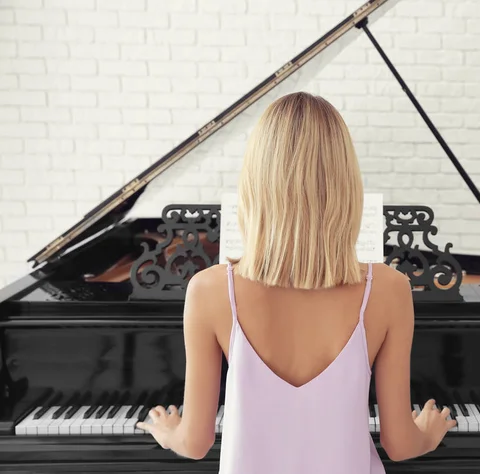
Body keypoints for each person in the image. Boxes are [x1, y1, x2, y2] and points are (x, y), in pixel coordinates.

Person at [136, 92, 456, 472]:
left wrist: (168, 431)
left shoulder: (208, 290)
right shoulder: (389, 288)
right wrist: (429, 432)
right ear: (345, 185)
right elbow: (400, 444)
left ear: (256, 184)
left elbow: (194, 443)